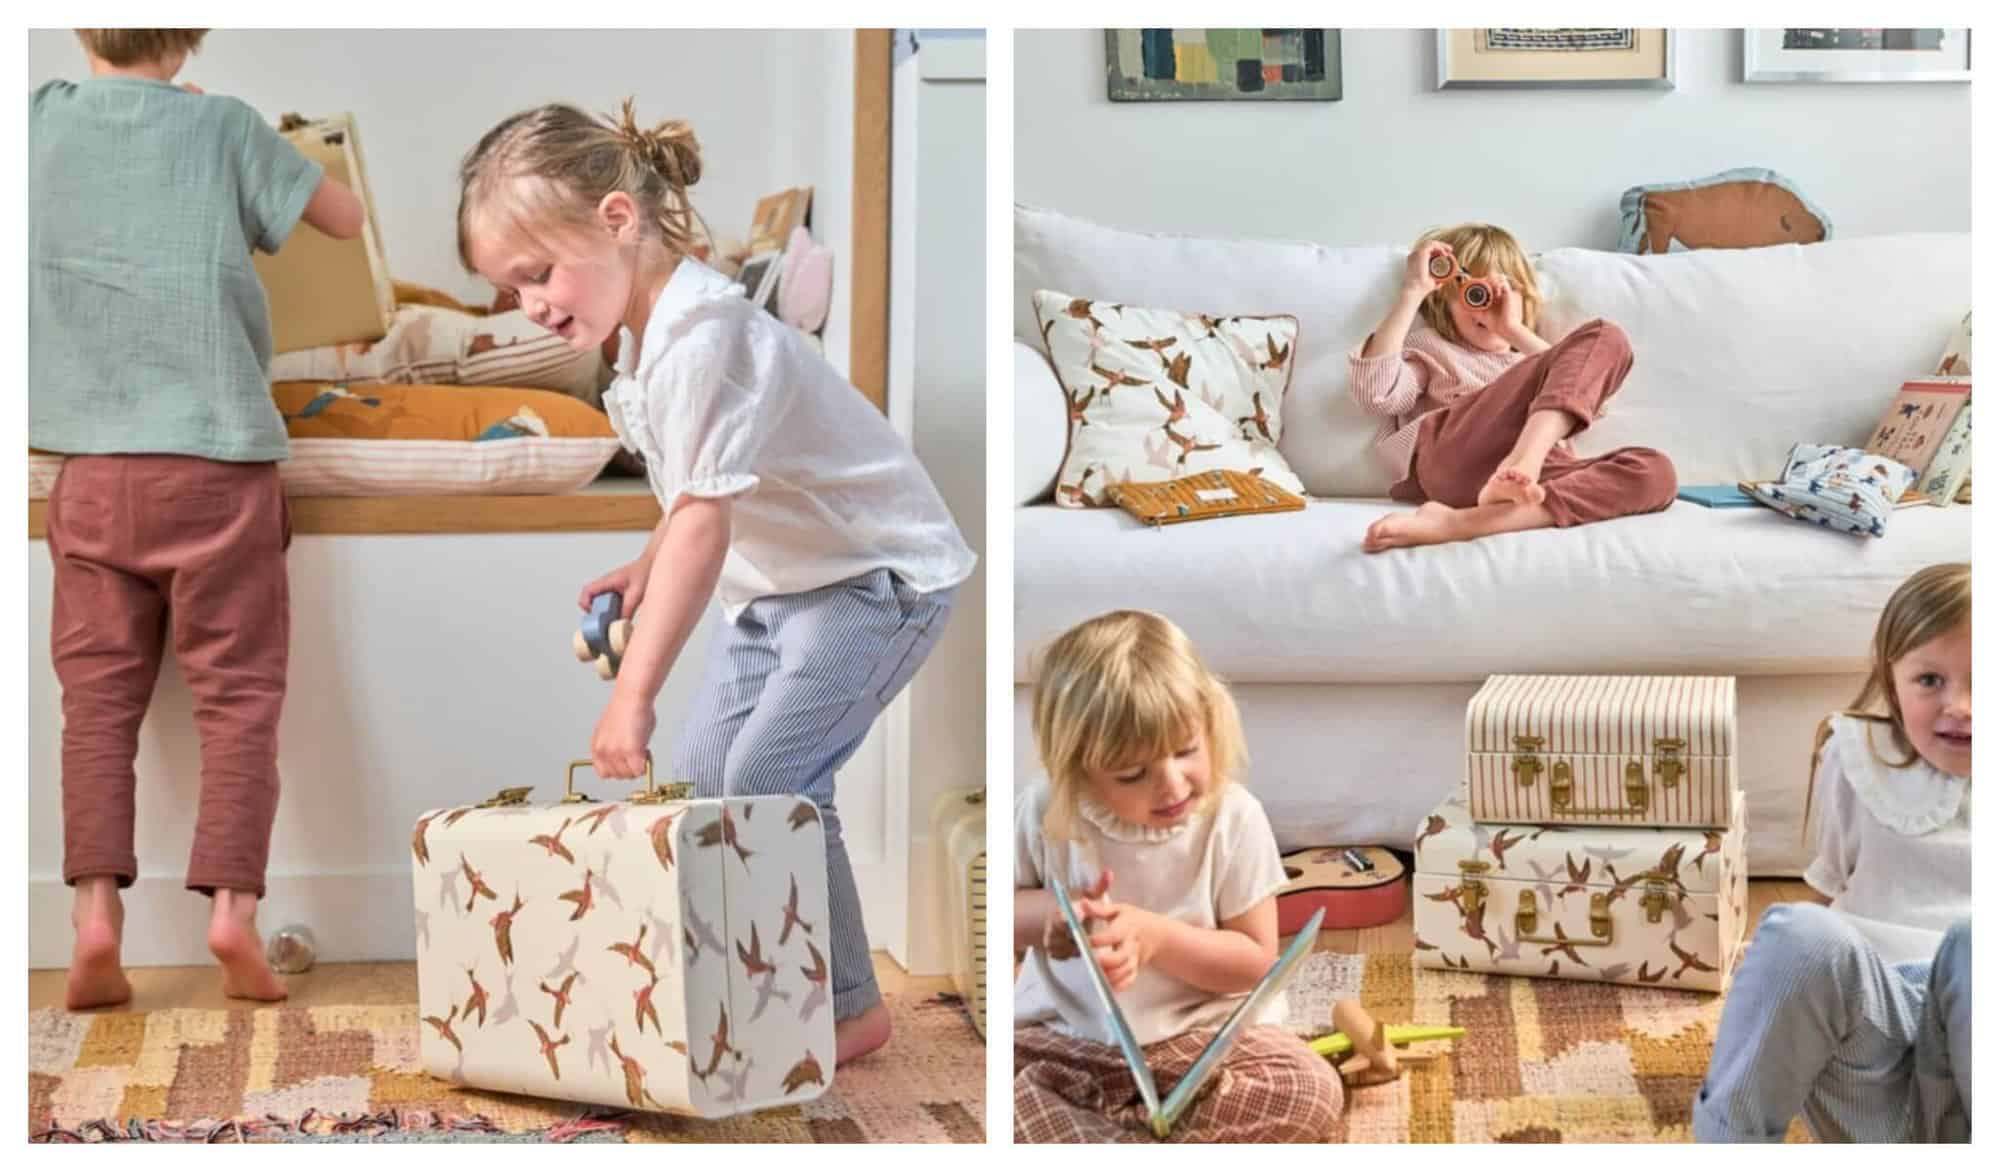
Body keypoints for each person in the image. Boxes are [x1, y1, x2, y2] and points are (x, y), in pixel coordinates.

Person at [456, 100, 975, 1064]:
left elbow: (704, 518)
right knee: (700, 790)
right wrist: (646, 563)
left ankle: (852, 1006)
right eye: (508, 290)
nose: (529, 303)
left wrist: (632, 695)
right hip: (775, 591)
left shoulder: (705, 337)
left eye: (536, 274)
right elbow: (699, 492)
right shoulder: (644, 343)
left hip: (873, 581)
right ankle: (741, 976)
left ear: (617, 220)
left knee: (771, 780)